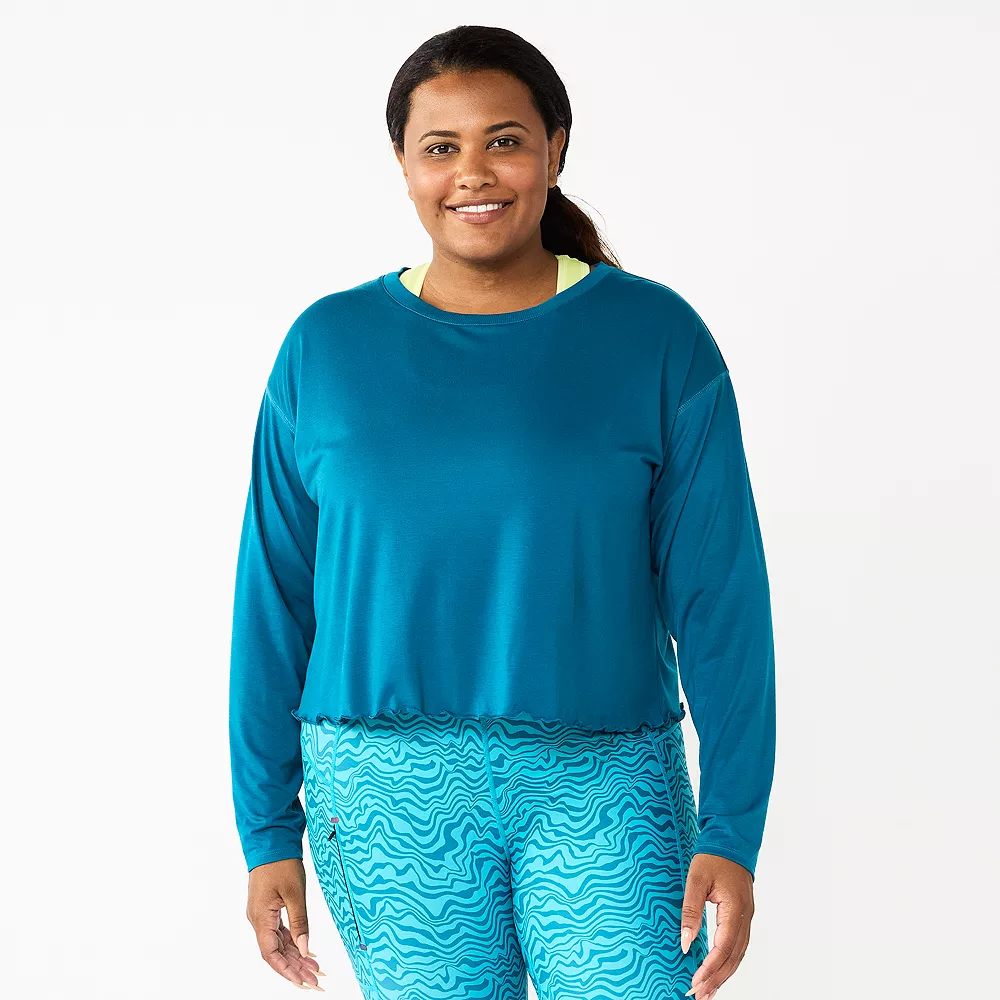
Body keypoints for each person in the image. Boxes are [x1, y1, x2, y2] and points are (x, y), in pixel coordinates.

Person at [229, 24, 775, 1000]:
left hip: (605, 781)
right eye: (440, 146)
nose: (472, 173)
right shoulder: (326, 348)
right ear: (403, 163)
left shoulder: (657, 338)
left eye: (505, 140)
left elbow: (720, 601)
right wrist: (267, 830)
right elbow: (272, 600)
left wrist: (733, 828)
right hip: (382, 790)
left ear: (555, 148)